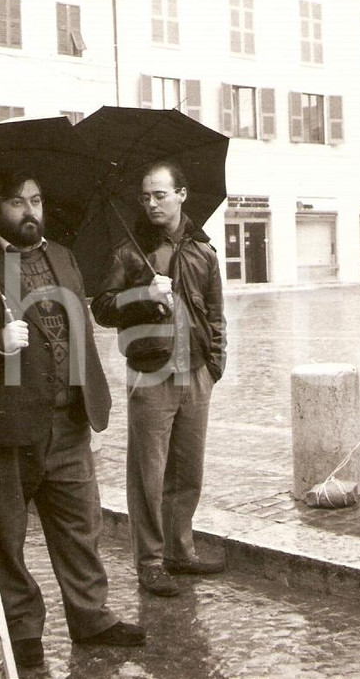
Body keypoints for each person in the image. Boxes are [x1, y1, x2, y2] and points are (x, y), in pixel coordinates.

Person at [0, 169, 145, 668]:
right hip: (2, 428)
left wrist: (88, 398)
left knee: (82, 527)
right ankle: (22, 633)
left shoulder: (61, 256)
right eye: (18, 203)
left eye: (36, 200)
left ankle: (92, 617)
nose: (30, 211)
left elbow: (77, 330)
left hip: (68, 423)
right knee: (8, 536)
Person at [91, 160, 227, 597]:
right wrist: (142, 295)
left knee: (188, 470)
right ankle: (150, 562)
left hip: (196, 373)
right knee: (148, 475)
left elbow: (216, 313)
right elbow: (103, 307)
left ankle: (180, 550)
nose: (151, 203)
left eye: (160, 195)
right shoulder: (130, 251)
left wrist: (215, 364)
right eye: (145, 196)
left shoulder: (203, 251)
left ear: (182, 194)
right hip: (150, 374)